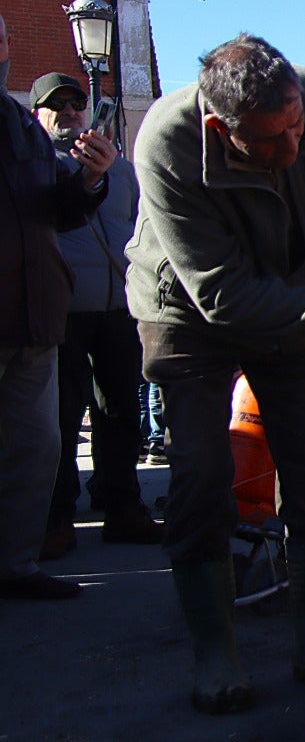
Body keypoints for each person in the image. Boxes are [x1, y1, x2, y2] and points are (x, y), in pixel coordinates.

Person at [126, 33, 305, 710]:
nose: (291, 151)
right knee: (202, 471)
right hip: (189, 308)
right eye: (268, 143)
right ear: (216, 128)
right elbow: (224, 296)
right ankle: (214, 652)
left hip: (300, 284)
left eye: (295, 129)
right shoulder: (165, 145)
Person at [29, 71, 163, 556]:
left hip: (118, 308)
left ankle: (122, 503)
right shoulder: (33, 166)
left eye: (75, 104)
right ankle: (57, 514)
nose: (68, 113)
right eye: (56, 105)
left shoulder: (122, 171)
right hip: (62, 310)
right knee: (61, 418)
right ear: (37, 114)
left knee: (122, 412)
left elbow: (139, 232)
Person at [0, 15, 109, 600]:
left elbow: (55, 213)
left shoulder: (19, 124)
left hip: (37, 318)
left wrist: (90, 181)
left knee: (37, 448)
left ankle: (15, 565)